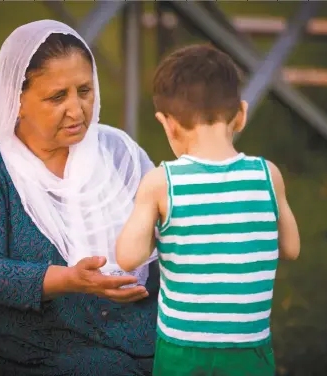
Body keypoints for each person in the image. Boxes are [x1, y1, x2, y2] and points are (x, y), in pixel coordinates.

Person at [0, 20, 159, 376]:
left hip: (145, 338)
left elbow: (169, 234)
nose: (77, 110)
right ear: (16, 100)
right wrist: (70, 280)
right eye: (57, 96)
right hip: (47, 352)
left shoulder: (117, 151)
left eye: (84, 90)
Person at [116, 44, 300, 376]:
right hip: (250, 346)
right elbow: (291, 248)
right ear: (241, 114)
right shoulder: (268, 175)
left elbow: (128, 258)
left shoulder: (161, 184)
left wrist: (152, 216)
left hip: (182, 349)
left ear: (167, 124)